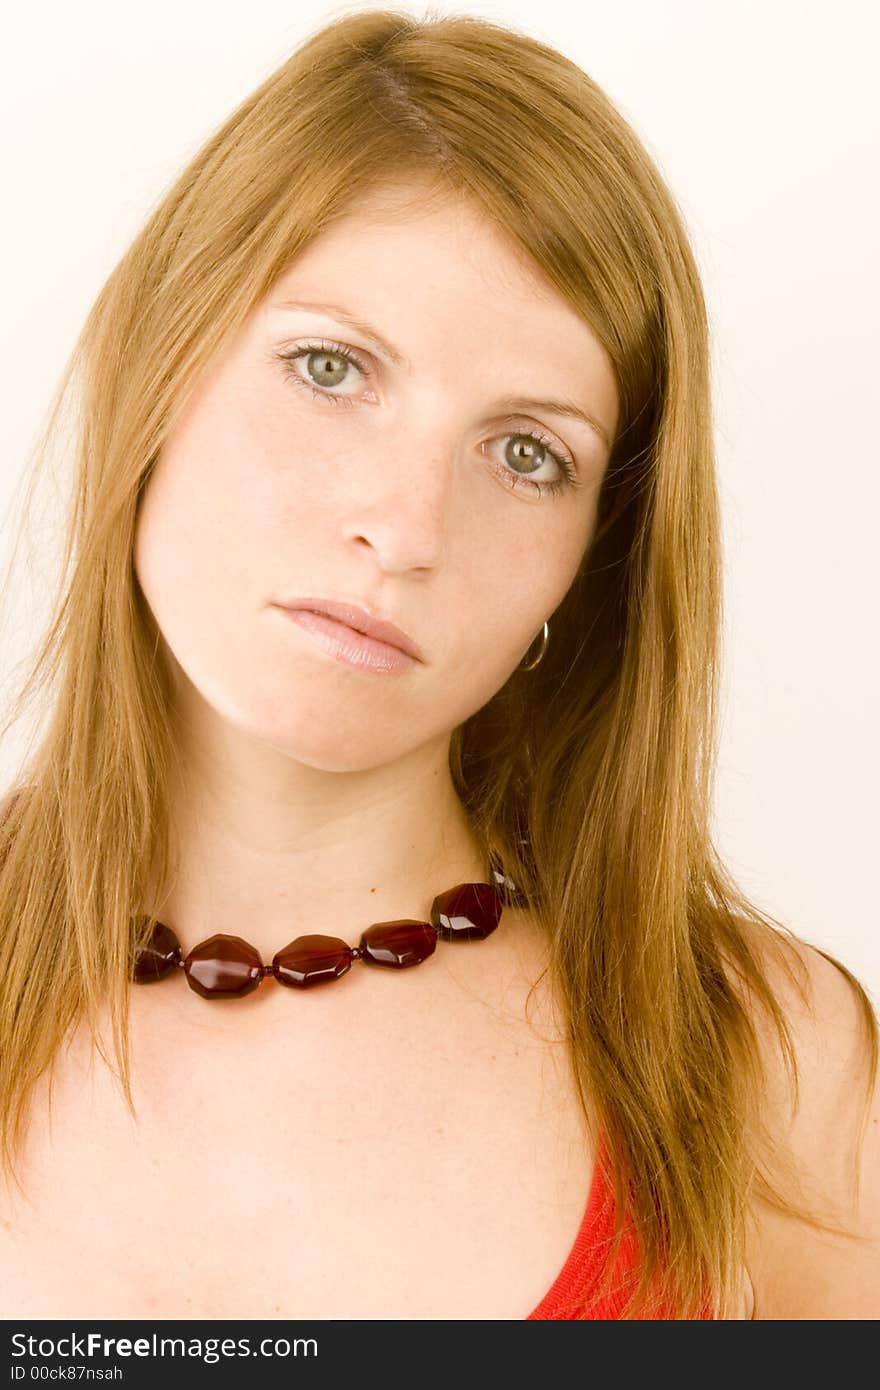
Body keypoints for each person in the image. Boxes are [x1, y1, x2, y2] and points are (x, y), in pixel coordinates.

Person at [0, 9, 876, 1321]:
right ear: (153, 362)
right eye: (330, 366)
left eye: (529, 453)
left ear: (592, 556)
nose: (405, 529)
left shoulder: (760, 1069)